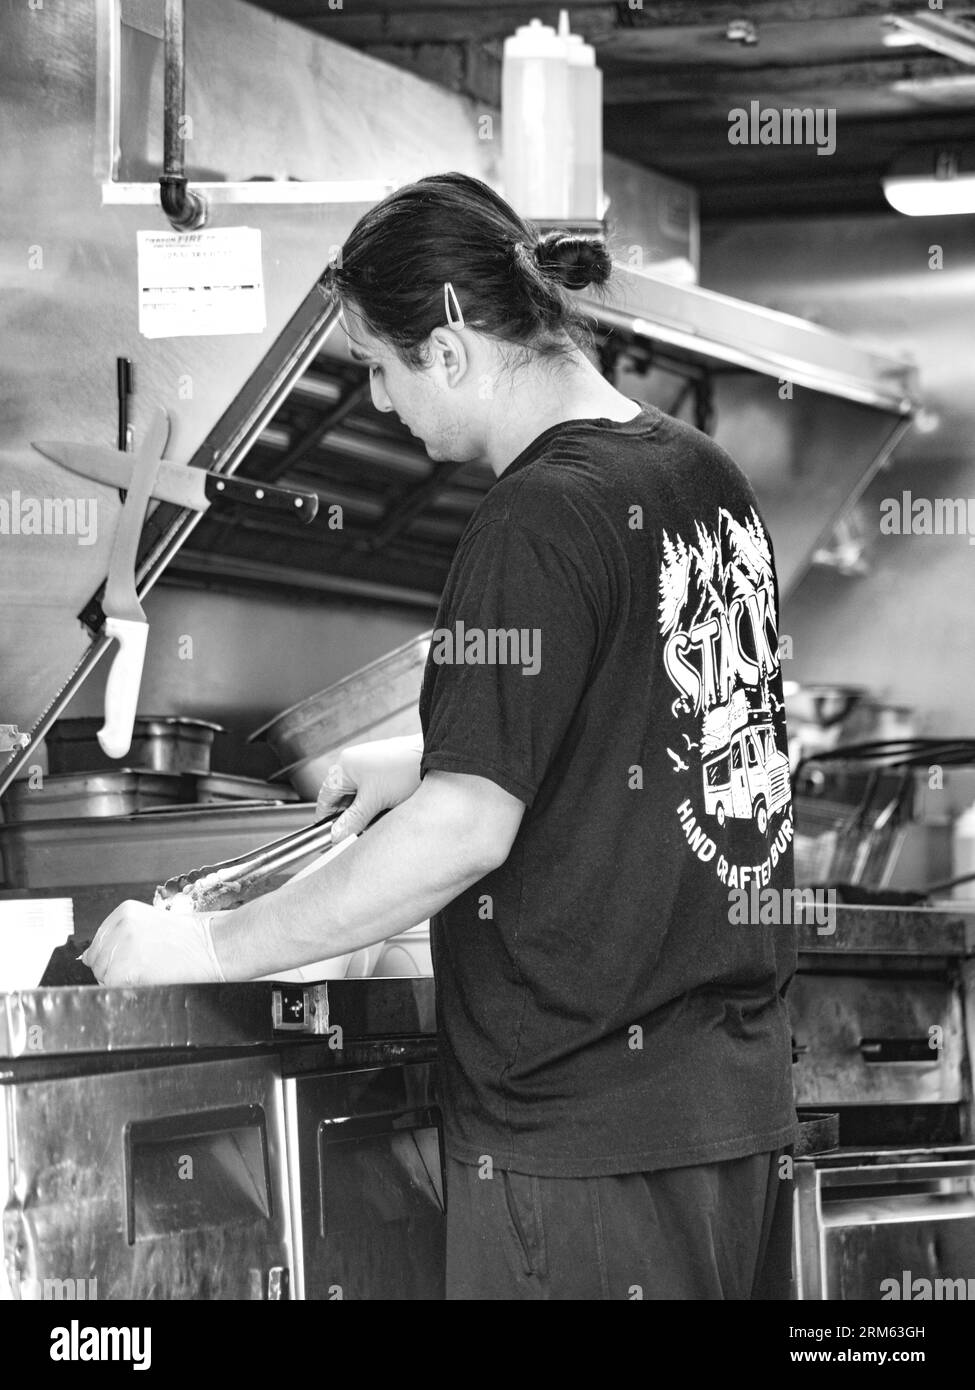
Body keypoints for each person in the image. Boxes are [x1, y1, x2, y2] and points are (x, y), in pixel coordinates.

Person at [85, 172, 798, 1301]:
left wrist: (203, 949)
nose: (373, 400)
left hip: (578, 1141)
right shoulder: (704, 478)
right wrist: (433, 756)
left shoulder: (532, 515)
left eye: (377, 362)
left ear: (453, 340)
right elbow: (667, 728)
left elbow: (463, 835)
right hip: (726, 1122)